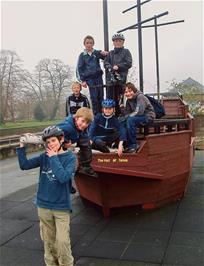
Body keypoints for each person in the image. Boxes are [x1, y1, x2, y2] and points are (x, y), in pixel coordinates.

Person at [16, 126, 76, 266]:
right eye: (48, 142)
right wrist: (21, 145)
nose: (51, 145)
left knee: (62, 242)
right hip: (43, 206)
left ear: (61, 139)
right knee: (48, 243)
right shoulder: (44, 157)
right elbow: (24, 165)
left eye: (54, 141)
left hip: (61, 208)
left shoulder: (70, 158)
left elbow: (63, 177)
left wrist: (54, 158)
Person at [57, 107, 97, 177]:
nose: (84, 124)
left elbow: (83, 135)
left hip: (74, 139)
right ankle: (83, 167)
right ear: (76, 118)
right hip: (60, 147)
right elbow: (55, 132)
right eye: (83, 121)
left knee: (86, 142)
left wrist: (89, 139)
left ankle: (85, 166)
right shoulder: (68, 127)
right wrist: (64, 142)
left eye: (87, 123)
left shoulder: (78, 126)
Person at [76, 35, 108, 115]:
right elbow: (79, 68)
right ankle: (96, 115)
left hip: (98, 77)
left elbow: (105, 57)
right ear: (84, 44)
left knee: (101, 96)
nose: (89, 45)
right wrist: (82, 81)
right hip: (90, 79)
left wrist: (104, 54)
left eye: (90, 43)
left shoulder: (96, 53)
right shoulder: (82, 55)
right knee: (94, 97)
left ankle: (102, 114)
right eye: (87, 43)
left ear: (93, 44)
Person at [120, 82, 156, 153]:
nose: (128, 93)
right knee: (121, 121)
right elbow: (127, 114)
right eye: (126, 92)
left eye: (130, 91)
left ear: (134, 90)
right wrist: (122, 109)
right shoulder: (128, 100)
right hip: (136, 117)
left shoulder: (140, 97)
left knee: (130, 120)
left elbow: (139, 112)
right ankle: (125, 144)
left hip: (147, 116)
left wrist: (127, 117)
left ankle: (134, 145)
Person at [104, 33, 132, 116]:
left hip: (121, 80)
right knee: (110, 100)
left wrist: (118, 67)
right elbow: (105, 62)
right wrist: (110, 67)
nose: (118, 42)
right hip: (110, 81)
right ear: (113, 43)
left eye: (119, 41)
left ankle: (120, 117)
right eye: (116, 41)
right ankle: (109, 117)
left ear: (123, 42)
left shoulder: (126, 52)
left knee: (120, 100)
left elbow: (129, 63)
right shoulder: (110, 53)